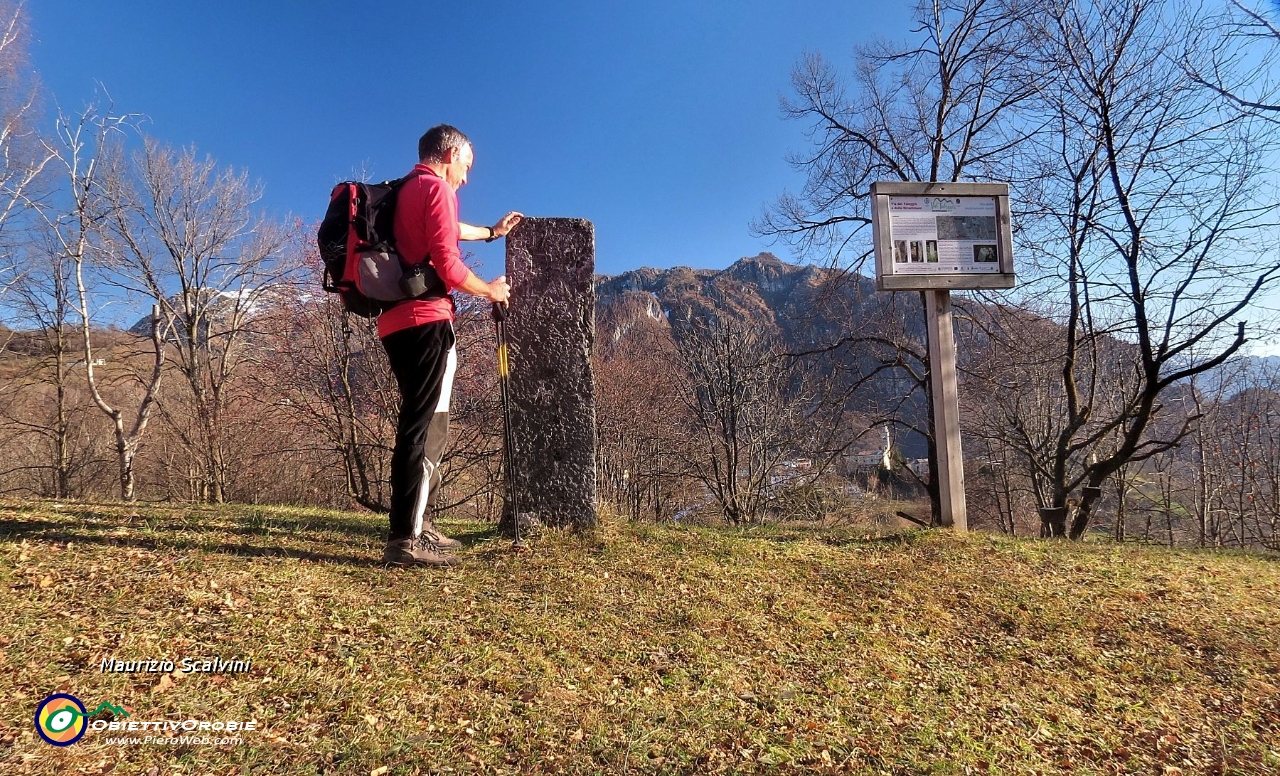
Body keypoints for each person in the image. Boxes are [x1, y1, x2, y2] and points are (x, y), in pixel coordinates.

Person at [379, 124, 521, 568]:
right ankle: (404, 540)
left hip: (396, 322)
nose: (466, 177)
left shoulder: (407, 190)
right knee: (420, 428)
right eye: (466, 166)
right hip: (427, 322)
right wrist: (491, 292)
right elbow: (449, 264)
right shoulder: (437, 188)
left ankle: (417, 526)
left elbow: (450, 230)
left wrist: (493, 233)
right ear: (450, 154)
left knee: (426, 424)